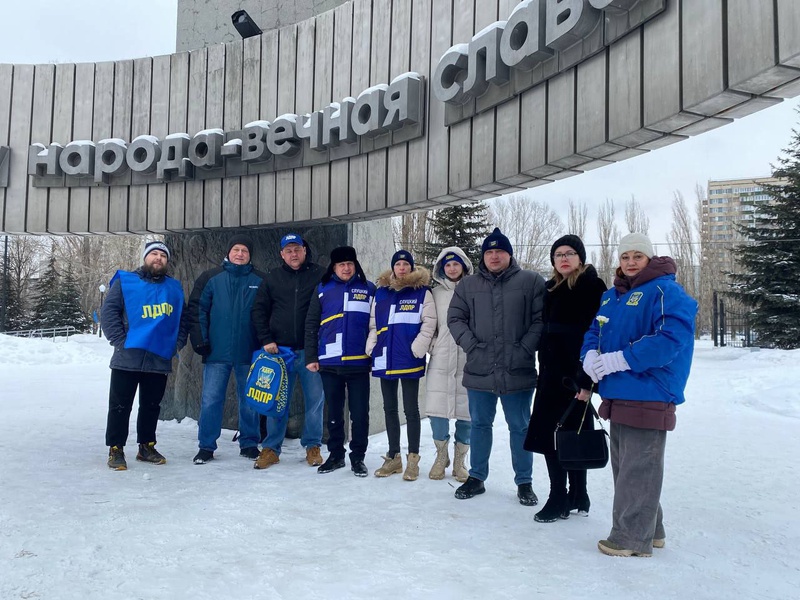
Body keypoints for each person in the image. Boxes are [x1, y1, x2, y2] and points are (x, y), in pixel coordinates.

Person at [581, 232, 697, 557]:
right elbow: (595, 330)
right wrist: (589, 356)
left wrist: (622, 358)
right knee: (628, 467)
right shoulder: (612, 296)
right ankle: (652, 530)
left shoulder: (665, 290)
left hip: (650, 391)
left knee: (638, 466)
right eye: (625, 256)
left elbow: (670, 340)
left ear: (649, 258)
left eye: (637, 256)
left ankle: (631, 539)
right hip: (619, 392)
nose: (630, 262)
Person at [447, 228, 545, 505]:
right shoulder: (468, 285)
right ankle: (477, 477)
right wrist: (472, 346)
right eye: (489, 252)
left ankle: (524, 482)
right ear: (483, 256)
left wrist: (525, 347)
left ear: (509, 254)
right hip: (480, 368)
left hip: (518, 368)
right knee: (479, 425)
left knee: (520, 427)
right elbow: (455, 318)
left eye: (499, 251)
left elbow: (540, 320)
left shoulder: (531, 282)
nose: (494, 256)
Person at [523, 235, 607, 523]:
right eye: (558, 254)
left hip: (575, 377)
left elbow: (599, 336)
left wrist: (586, 381)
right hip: (549, 375)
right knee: (556, 437)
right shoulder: (551, 288)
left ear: (580, 258)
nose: (564, 258)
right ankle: (575, 495)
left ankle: (561, 497)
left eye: (570, 253)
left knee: (569, 436)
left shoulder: (593, 287)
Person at [103, 241, 189, 470]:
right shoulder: (126, 282)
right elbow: (109, 312)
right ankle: (116, 449)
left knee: (151, 406)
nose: (158, 258)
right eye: (154, 254)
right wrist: (120, 342)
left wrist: (175, 345)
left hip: (158, 360)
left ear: (167, 261)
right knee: (120, 406)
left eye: (163, 255)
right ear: (145, 258)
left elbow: (183, 320)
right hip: (127, 359)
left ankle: (146, 446)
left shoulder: (174, 288)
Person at [188, 234, 267, 465]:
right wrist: (200, 340)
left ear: (250, 255)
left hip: (249, 352)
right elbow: (198, 309)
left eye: (244, 250)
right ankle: (206, 446)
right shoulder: (211, 278)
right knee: (211, 400)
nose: (240, 254)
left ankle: (250, 443)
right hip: (217, 352)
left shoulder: (261, 280)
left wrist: (265, 343)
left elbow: (267, 314)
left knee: (250, 399)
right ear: (229, 252)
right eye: (236, 250)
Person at [251, 233, 326, 470]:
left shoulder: (320, 275)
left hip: (310, 351)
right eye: (289, 251)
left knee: (315, 400)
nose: (294, 254)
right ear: (282, 254)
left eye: (297, 249)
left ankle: (313, 446)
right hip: (279, 352)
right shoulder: (272, 278)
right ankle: (271, 448)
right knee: (276, 401)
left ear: (305, 250)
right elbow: (259, 311)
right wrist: (266, 339)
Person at [304, 246, 376, 476]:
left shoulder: (369, 289)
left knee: (359, 413)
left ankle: (358, 458)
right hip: (329, 362)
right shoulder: (323, 289)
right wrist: (311, 356)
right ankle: (336, 455)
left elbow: (377, 326)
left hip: (359, 363)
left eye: (350, 264)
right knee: (334, 412)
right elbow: (311, 324)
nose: (346, 268)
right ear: (334, 267)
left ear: (355, 266)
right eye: (341, 264)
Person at [366, 250, 436, 481]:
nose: (402, 268)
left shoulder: (421, 293)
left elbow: (429, 324)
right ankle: (394, 456)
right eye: (398, 264)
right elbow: (374, 323)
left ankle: (413, 459)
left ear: (412, 268)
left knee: (411, 410)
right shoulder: (382, 293)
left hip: (408, 358)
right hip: (385, 357)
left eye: (406, 264)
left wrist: (418, 348)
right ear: (393, 267)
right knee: (389, 409)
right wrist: (372, 345)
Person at [425, 247, 474, 482]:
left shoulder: (475, 290)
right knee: (437, 411)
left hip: (468, 358)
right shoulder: (434, 293)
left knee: (467, 412)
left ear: (463, 266)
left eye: (456, 264)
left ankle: (459, 461)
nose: (452, 268)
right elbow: (427, 323)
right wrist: (432, 344)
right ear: (441, 268)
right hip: (441, 358)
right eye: (447, 265)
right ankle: (441, 455)